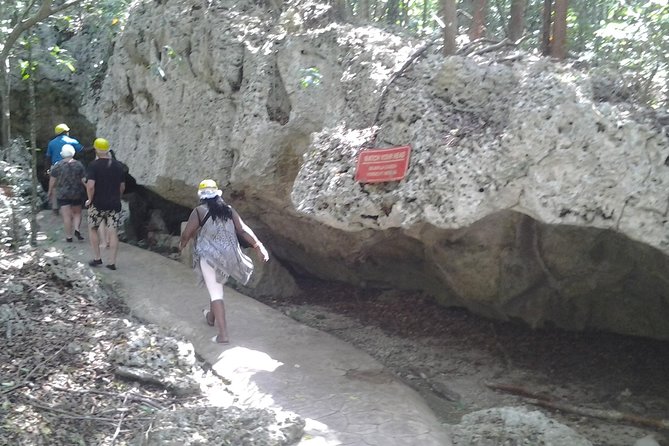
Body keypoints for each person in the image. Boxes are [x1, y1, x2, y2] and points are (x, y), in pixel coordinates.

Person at [179, 179, 269, 344]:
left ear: (202, 196)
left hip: (210, 257)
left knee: (216, 293)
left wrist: (182, 243)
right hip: (229, 257)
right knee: (216, 287)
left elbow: (187, 233)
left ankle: (223, 335)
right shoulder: (228, 210)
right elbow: (242, 229)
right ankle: (211, 317)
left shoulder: (199, 212)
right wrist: (258, 245)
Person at [85, 137, 126, 271]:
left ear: (96, 149)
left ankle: (97, 258)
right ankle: (112, 262)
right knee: (113, 232)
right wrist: (117, 197)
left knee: (93, 228)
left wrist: (90, 199)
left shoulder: (93, 165)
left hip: (97, 203)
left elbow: (90, 186)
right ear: (108, 149)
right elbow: (122, 186)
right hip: (114, 204)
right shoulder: (118, 165)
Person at [47, 144, 86, 242]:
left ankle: (69, 236)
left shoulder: (57, 166)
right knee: (77, 213)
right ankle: (77, 229)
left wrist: (50, 191)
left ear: (62, 154)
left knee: (66, 216)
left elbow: (52, 180)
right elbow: (84, 180)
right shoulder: (79, 165)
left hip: (62, 194)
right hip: (76, 192)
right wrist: (90, 190)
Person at [46, 123, 84, 215]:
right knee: (72, 183)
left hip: (56, 167)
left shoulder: (51, 143)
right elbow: (82, 150)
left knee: (55, 187)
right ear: (65, 132)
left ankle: (55, 207)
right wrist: (94, 149)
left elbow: (47, 157)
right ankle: (72, 205)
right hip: (70, 165)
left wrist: (47, 169)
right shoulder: (72, 141)